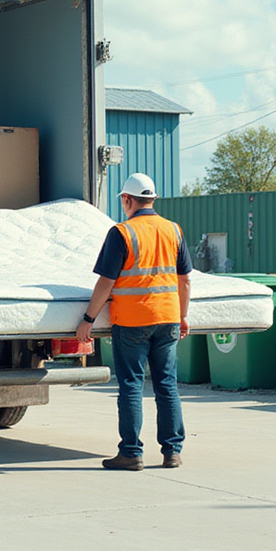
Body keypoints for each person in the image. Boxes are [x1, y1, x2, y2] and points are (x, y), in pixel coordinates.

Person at [76, 173, 192, 470]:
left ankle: (131, 453)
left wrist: (88, 319)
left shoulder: (122, 233)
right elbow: (185, 280)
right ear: (152, 200)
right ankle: (172, 452)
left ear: (127, 200)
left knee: (131, 385)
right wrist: (182, 316)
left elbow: (106, 282)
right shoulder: (173, 230)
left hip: (132, 321)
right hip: (167, 318)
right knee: (167, 385)